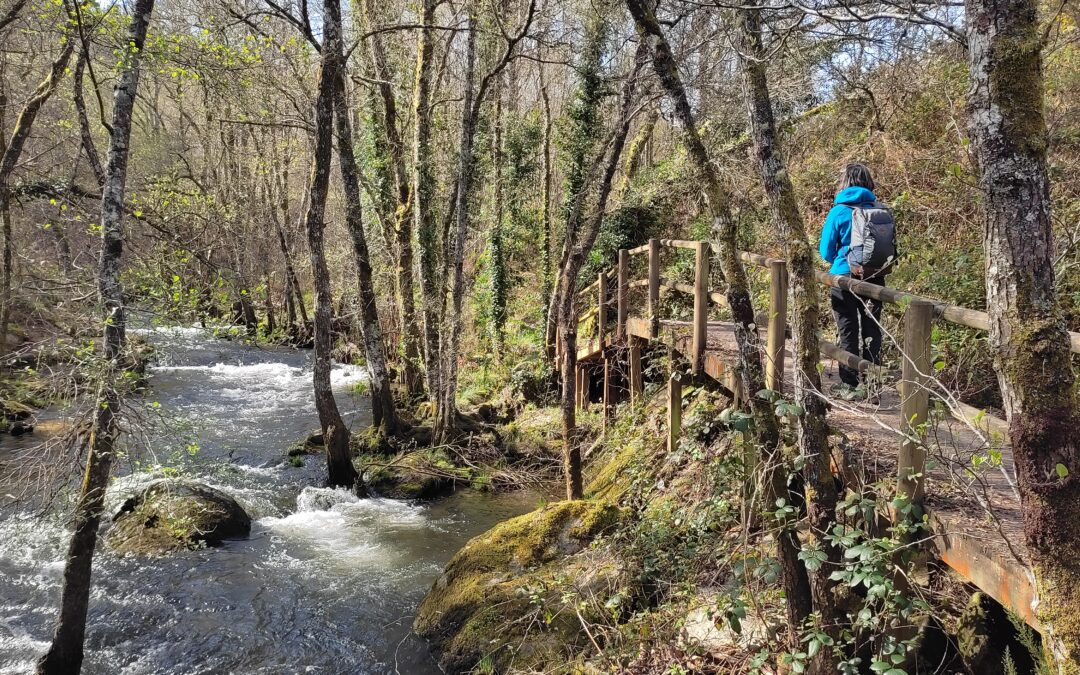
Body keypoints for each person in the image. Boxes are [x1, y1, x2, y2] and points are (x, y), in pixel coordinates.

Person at [819, 163, 887, 395]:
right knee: (872, 329)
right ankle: (873, 385)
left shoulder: (839, 211)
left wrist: (841, 260)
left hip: (844, 277)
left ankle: (849, 385)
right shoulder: (880, 209)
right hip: (875, 277)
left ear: (844, 182)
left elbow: (825, 250)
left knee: (847, 328)